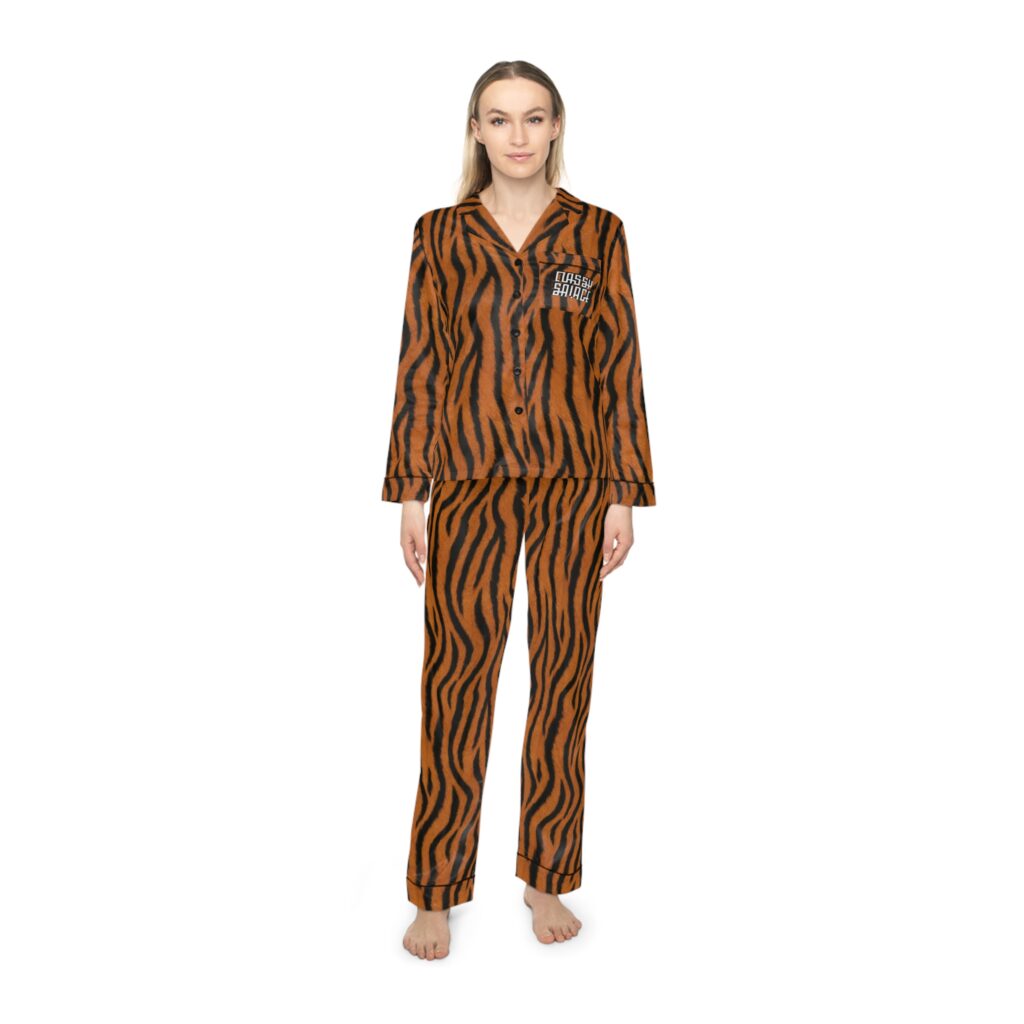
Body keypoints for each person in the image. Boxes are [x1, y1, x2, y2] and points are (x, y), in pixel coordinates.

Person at [381, 60, 657, 959]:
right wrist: (411, 491)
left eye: (534, 118)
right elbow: (421, 364)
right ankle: (434, 890)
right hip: (466, 481)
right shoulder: (440, 235)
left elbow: (619, 367)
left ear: (556, 125)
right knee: (455, 681)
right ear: (476, 130)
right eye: (499, 119)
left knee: (563, 679)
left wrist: (624, 492)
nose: (518, 136)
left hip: (576, 483)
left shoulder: (597, 233)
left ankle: (546, 875)